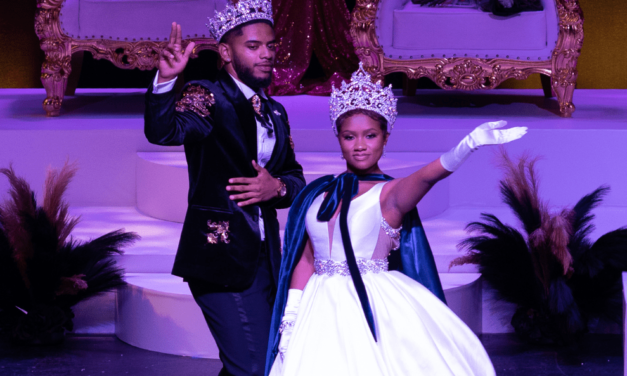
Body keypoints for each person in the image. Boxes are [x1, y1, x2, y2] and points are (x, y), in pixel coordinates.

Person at [265, 63, 528, 376]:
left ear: (385, 138)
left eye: (370, 135)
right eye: (350, 136)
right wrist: (291, 316)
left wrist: (466, 146)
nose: (360, 145)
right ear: (338, 138)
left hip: (372, 302)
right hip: (317, 306)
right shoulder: (317, 193)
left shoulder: (390, 193)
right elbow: (306, 258)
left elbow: (428, 176)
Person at [144, 1, 305, 375]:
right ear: (226, 52)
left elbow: (296, 180)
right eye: (253, 46)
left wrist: (276, 187)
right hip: (220, 257)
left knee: (259, 361)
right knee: (252, 366)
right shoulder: (208, 95)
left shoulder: (276, 112)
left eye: (271, 45)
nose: (266, 54)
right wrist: (166, 81)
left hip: (266, 259)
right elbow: (165, 131)